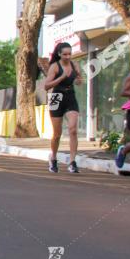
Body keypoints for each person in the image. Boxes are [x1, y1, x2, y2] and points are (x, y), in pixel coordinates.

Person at [44, 42, 83, 173]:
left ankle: (72, 162)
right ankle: (53, 158)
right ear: (59, 54)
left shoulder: (75, 65)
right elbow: (46, 86)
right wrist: (61, 77)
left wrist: (78, 79)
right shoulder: (55, 67)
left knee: (73, 129)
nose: (67, 56)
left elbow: (79, 80)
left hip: (70, 96)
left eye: (69, 54)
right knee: (57, 133)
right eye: (65, 54)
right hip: (56, 97)